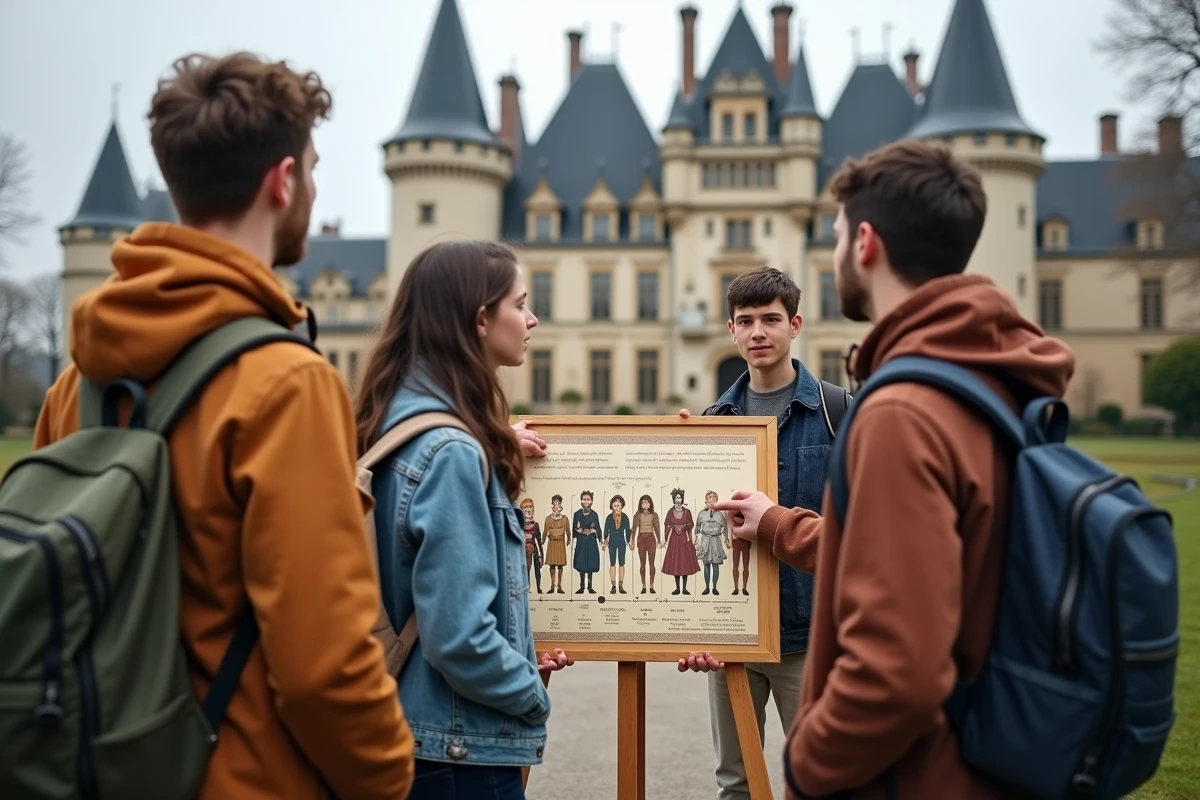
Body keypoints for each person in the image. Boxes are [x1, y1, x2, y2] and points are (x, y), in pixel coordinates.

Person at [33, 52, 416, 799]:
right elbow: (323, 668)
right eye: (311, 167)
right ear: (283, 182)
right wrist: (388, 777)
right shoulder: (289, 383)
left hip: (93, 765)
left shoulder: (78, 383)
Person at [717, 139, 1074, 799]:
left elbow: (897, 674)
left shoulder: (901, 410)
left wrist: (807, 769)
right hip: (993, 748)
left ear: (866, 243)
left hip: (925, 772)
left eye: (834, 236)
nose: (833, 253)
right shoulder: (995, 374)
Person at [353, 238, 573, 799]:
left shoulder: (392, 416)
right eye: (520, 304)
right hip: (453, 752)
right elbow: (459, 637)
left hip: (407, 733)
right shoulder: (451, 451)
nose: (533, 318)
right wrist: (530, 692)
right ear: (480, 318)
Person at [677, 265, 838, 800]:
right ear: (731, 330)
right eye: (745, 321)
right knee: (736, 784)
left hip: (809, 637)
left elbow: (859, 532)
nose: (758, 333)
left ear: (795, 324)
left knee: (822, 779)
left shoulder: (838, 414)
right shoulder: (713, 418)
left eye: (770, 319)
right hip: (734, 637)